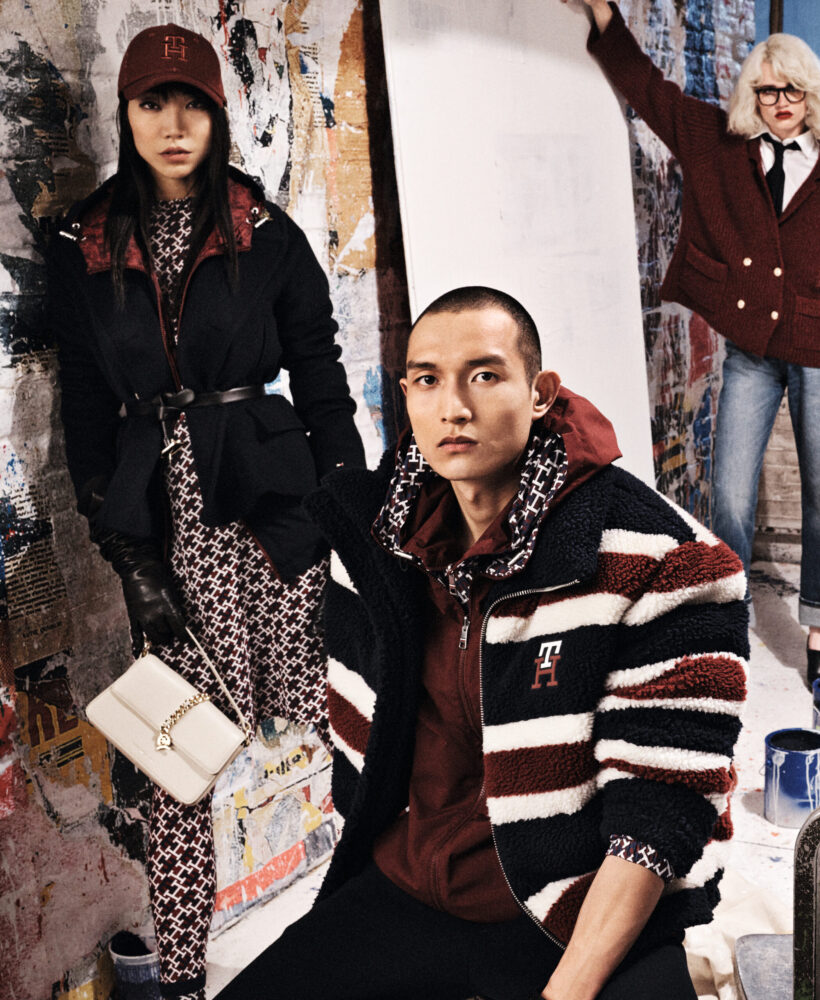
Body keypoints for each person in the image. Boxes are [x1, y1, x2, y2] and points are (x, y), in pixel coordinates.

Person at [216, 287, 748, 1000]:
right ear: (405, 395)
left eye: (485, 375)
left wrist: (568, 990)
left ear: (540, 393)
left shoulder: (660, 559)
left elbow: (662, 809)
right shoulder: (374, 545)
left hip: (574, 910)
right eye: (428, 380)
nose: (454, 407)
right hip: (410, 885)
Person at [49, 23, 365, 1000]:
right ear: (127, 114)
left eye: (193, 104)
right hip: (166, 530)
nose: (174, 123)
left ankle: (371, 926)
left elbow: (319, 373)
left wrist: (341, 505)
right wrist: (128, 555)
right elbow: (84, 413)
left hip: (268, 512)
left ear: (218, 116)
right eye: (154, 103)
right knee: (178, 757)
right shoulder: (87, 245)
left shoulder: (264, 232)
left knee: (314, 726)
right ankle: (182, 977)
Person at [572, 0, 820, 684]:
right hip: (751, 349)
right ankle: (726, 619)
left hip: (817, 347)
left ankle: (819, 631)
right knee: (729, 494)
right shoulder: (717, 142)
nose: (781, 104)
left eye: (794, 91)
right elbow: (649, 90)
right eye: (767, 91)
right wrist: (603, 14)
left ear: (811, 95)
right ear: (752, 95)